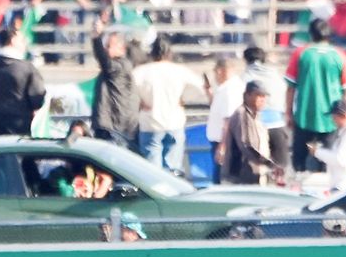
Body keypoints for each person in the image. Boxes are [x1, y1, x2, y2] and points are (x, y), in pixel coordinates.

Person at [285, 18, 346, 173]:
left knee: (299, 163)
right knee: (328, 163)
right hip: (331, 120)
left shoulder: (300, 53)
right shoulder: (340, 55)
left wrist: (288, 113)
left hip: (304, 116)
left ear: (311, 34)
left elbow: (290, 88)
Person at [133, 36, 205, 172]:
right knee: (172, 169)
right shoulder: (179, 70)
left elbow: (128, 90)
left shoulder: (141, 72)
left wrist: (140, 101)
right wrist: (184, 98)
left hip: (150, 122)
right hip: (174, 121)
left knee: (151, 171)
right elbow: (201, 87)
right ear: (169, 53)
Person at [0, 29, 46, 136]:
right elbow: (38, 97)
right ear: (12, 40)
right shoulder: (27, 67)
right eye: (22, 40)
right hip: (21, 123)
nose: (25, 43)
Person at [89, 21, 138, 147]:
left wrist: (96, 38)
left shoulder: (119, 66)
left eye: (109, 46)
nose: (106, 49)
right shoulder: (121, 66)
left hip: (112, 127)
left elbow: (103, 60)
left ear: (121, 48)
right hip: (113, 125)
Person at [224, 81, 282, 185]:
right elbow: (246, 146)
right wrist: (269, 164)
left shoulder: (257, 117)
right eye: (259, 95)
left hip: (256, 175)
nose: (262, 99)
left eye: (264, 96)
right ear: (247, 95)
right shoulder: (242, 115)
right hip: (241, 177)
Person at [244, 46, 291, 174]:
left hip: (255, 129)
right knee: (280, 170)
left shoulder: (245, 77)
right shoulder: (276, 76)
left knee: (257, 172)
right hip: (277, 125)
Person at [207, 57, 245, 184]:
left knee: (220, 178)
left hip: (223, 141)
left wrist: (223, 146)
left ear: (220, 71)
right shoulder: (228, 88)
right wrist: (209, 94)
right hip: (223, 140)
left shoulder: (229, 90)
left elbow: (228, 120)